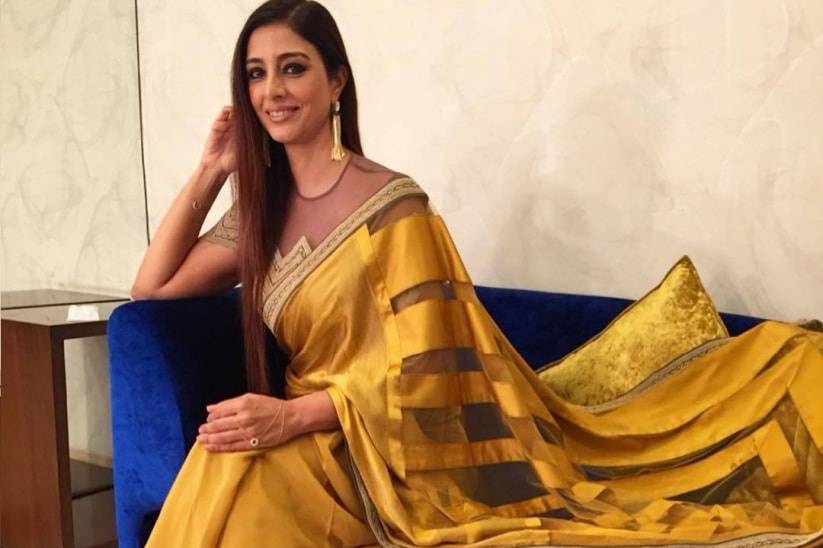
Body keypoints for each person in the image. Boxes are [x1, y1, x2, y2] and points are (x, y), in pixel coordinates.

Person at [131, 1, 823, 546]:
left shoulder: (392, 207)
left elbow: (428, 371)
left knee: (243, 475)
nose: (272, 90)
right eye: (255, 73)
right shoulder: (260, 209)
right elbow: (151, 290)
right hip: (310, 431)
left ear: (336, 80)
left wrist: (291, 417)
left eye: (292, 67)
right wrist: (213, 169)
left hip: (381, 444)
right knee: (225, 459)